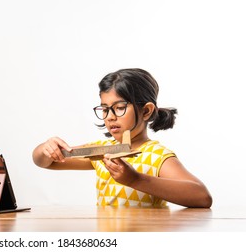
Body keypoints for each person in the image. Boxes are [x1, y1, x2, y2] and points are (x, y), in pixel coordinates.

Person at [32, 68, 212, 208]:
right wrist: (45, 149)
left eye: (119, 107)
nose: (109, 117)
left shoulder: (156, 155)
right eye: (104, 109)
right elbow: (47, 162)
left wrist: (135, 179)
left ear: (146, 111)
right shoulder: (102, 150)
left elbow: (202, 197)